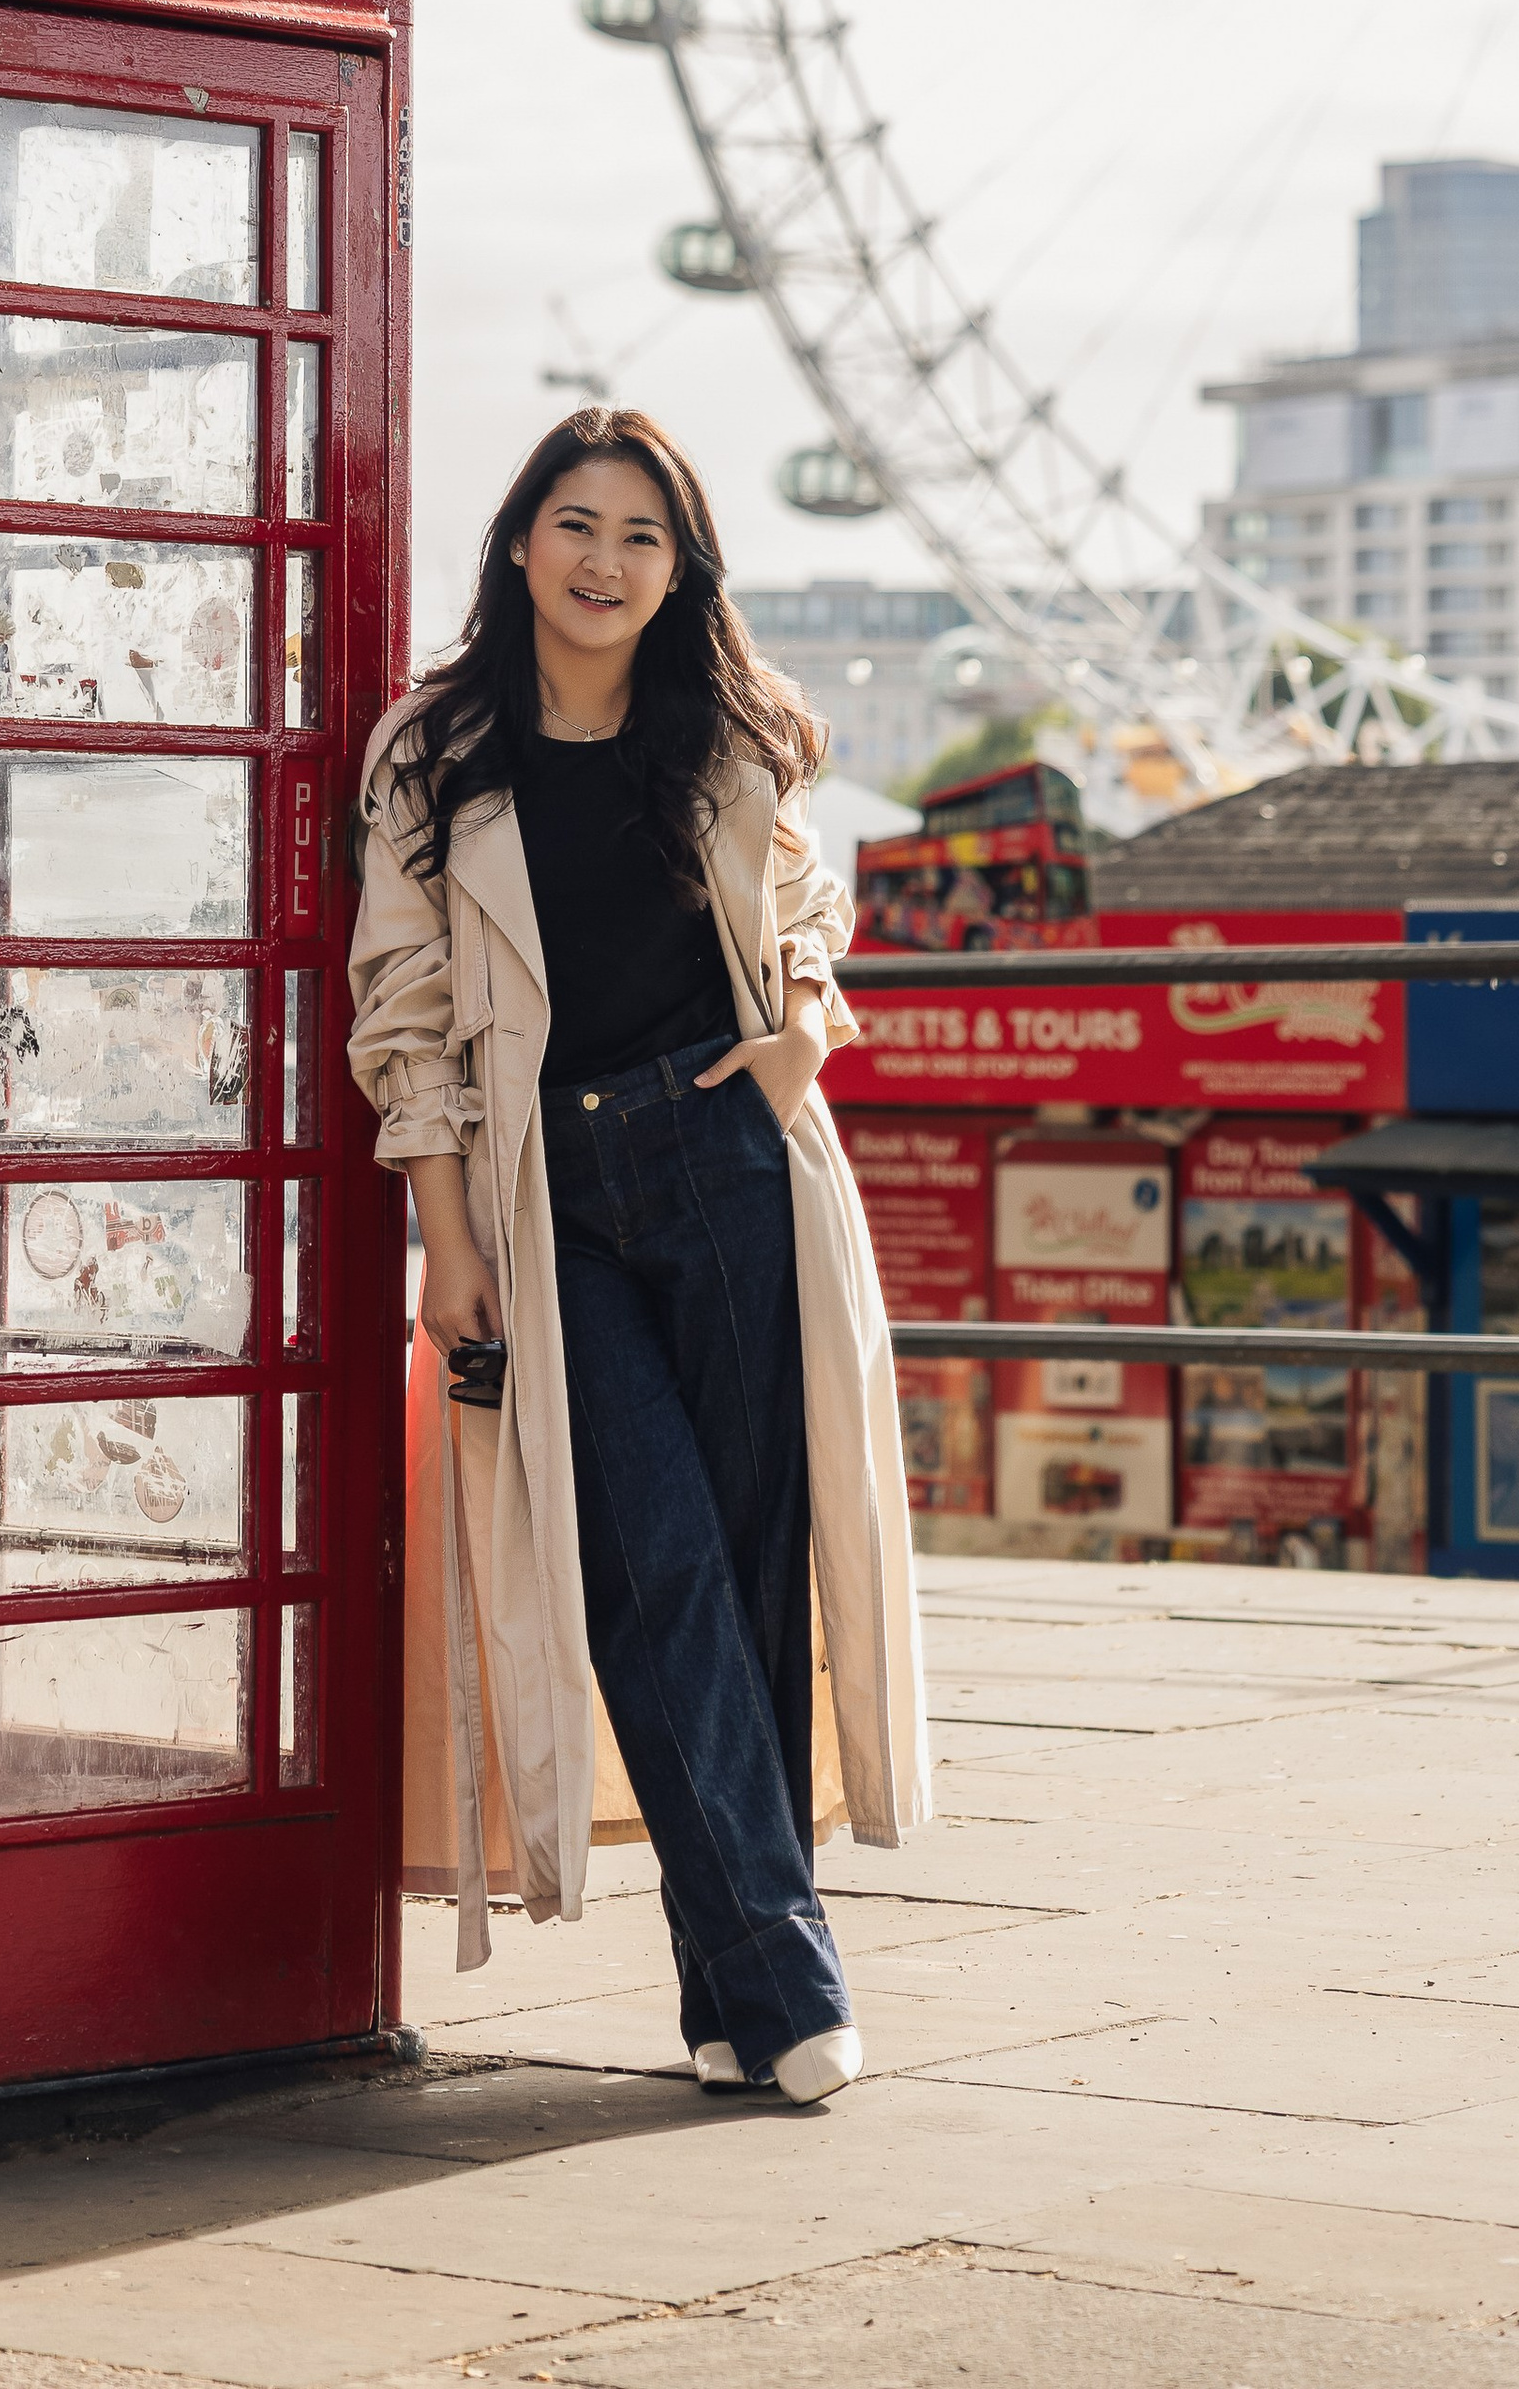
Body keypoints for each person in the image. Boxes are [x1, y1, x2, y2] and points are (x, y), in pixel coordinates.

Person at [347, 406, 929, 2105]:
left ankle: (735, 2002)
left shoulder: (725, 734)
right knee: (651, 1568)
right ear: (519, 540)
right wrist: (444, 1240)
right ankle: (790, 1977)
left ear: (682, 570)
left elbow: (809, 907)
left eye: (642, 537)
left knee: (750, 1573)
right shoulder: (434, 751)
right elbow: (410, 1014)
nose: (606, 563)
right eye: (577, 525)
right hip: (553, 1197)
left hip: (731, 1155)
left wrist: (808, 1022)